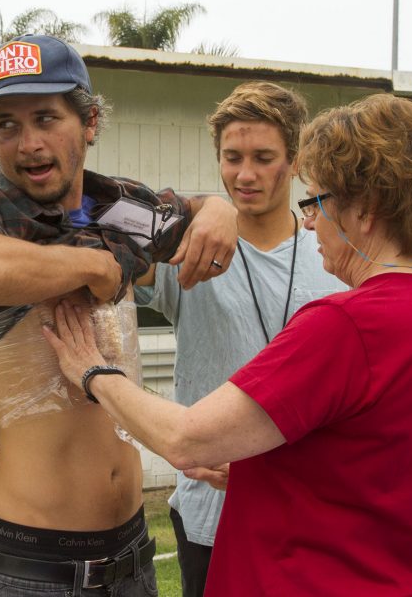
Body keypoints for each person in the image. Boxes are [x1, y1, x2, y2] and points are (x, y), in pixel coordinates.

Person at [44, 93, 412, 596]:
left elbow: (187, 439)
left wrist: (94, 372)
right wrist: (268, 465)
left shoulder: (349, 323)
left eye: (318, 201)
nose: (313, 220)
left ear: (365, 210)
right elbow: (368, 461)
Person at [0, 34, 237, 596]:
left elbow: (195, 209)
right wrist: (92, 267)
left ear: (88, 121)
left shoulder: (121, 208)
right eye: (5, 125)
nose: (29, 143)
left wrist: (220, 209)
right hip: (36, 565)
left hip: (133, 552)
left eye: (46, 117)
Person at [134, 81, 346, 596]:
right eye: (232, 157)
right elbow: (98, 247)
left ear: (294, 162)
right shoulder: (187, 248)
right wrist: (202, 205)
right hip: (212, 520)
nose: (245, 175)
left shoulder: (336, 258)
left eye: (263, 157)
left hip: (312, 514)